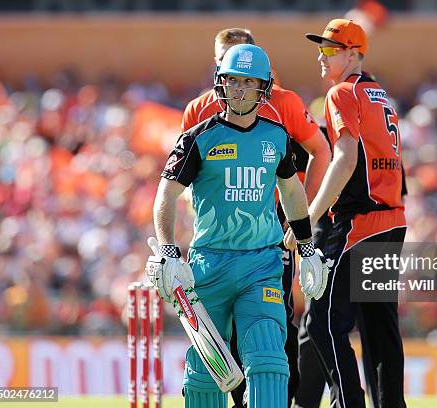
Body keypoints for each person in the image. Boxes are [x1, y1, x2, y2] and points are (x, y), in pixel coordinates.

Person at [149, 44, 328, 408]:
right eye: (233, 81)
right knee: (205, 376)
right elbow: (165, 196)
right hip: (209, 265)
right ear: (220, 83)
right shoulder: (199, 138)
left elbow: (292, 193)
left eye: (249, 82)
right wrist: (169, 252)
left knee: (268, 359)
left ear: (264, 88)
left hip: (261, 265)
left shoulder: (277, 137)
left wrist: (307, 247)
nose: (240, 90)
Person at [285, 19, 408, 407]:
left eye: (330, 50)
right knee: (380, 330)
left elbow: (344, 159)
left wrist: (305, 221)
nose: (321, 57)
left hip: (359, 225)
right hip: (392, 222)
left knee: (321, 322)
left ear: (354, 54)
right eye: (320, 49)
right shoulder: (380, 95)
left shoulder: (342, 93)